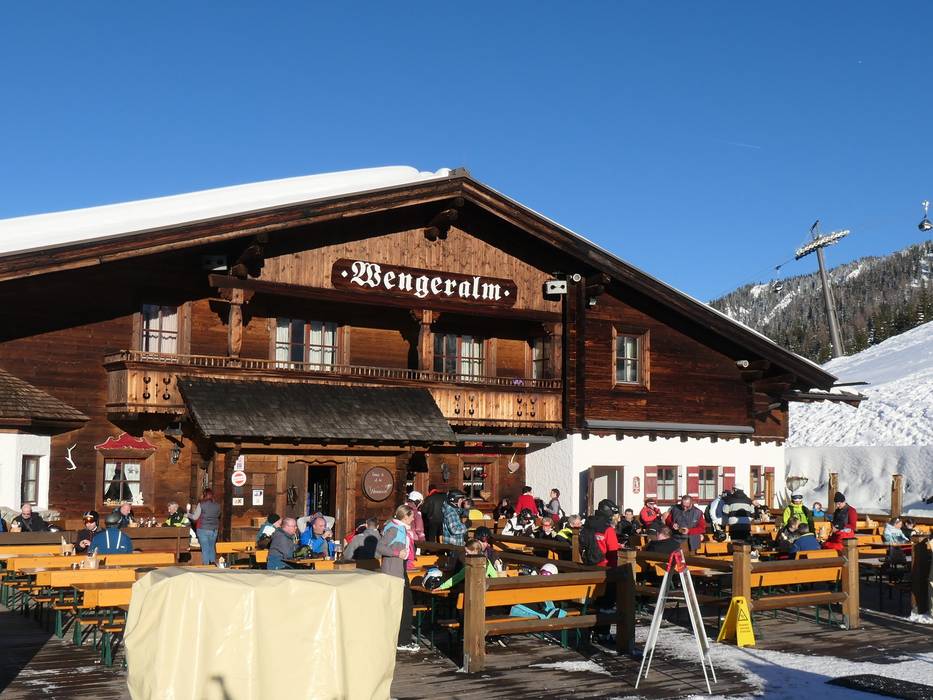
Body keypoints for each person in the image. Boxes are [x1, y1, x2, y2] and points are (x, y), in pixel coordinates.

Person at [377, 504, 418, 652]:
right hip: (394, 573)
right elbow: (380, 547)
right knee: (404, 606)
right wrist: (397, 553)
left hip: (400, 570)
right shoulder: (394, 529)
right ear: (405, 517)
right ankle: (403, 641)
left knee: (404, 605)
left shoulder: (401, 529)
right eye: (411, 516)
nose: (413, 519)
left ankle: (400, 639)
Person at [582, 499, 620, 567]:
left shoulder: (588, 524)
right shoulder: (608, 529)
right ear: (610, 515)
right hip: (603, 566)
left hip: (586, 563)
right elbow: (614, 552)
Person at [187, 489, 220, 565]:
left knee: (205, 548)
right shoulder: (217, 505)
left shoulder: (201, 504)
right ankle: (212, 563)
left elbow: (195, 517)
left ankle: (206, 565)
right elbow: (217, 516)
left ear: (204, 495)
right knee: (211, 547)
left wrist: (188, 514)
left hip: (203, 529)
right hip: (214, 530)